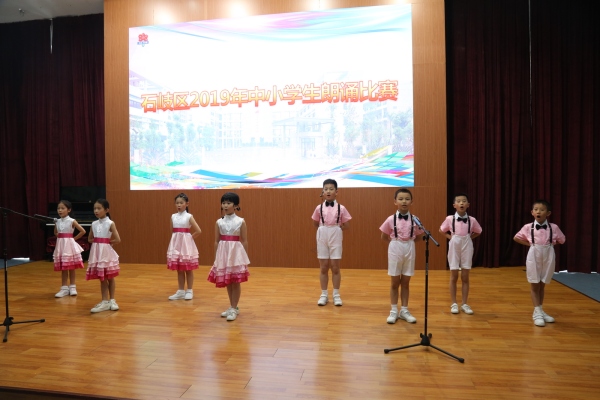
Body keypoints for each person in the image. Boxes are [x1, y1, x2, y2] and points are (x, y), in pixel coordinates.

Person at [514, 200, 566, 327]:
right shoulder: (528, 227)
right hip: (534, 255)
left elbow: (562, 240)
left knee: (542, 284)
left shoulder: (554, 227)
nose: (539, 212)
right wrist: (531, 244)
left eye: (542, 210)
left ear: (548, 213)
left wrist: (550, 244)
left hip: (548, 255)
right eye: (536, 209)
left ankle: (540, 310)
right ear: (532, 212)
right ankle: (536, 312)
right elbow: (516, 237)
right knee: (534, 284)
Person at [380, 188, 423, 324]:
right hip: (395, 247)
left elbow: (419, 236)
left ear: (412, 201)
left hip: (410, 247)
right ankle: (393, 310)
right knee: (394, 282)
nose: (404, 201)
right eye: (401, 199)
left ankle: (404, 310)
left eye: (407, 199)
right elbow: (384, 236)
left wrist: (408, 243)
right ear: (395, 201)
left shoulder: (415, 219)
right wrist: (395, 243)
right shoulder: (390, 219)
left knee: (405, 281)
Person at [207, 192, 250, 321]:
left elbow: (245, 241)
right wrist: (216, 257)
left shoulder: (240, 221)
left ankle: (234, 307)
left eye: (228, 203)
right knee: (228, 281)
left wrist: (244, 258)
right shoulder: (219, 222)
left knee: (235, 281)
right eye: (223, 203)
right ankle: (232, 306)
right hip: (223, 253)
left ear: (235, 205)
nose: (225, 205)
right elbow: (216, 241)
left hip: (236, 254)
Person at [439, 193, 482, 315]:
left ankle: (464, 303)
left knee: (465, 276)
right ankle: (454, 303)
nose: (461, 203)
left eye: (464, 201)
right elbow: (441, 230)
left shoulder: (472, 220)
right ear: (454, 205)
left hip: (467, 244)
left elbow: (479, 231)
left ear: (468, 205)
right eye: (458, 201)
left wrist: (469, 238)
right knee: (454, 275)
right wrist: (451, 238)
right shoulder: (450, 219)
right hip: (454, 244)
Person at [311, 178, 352, 306]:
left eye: (331, 189)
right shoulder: (318, 208)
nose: (328, 191)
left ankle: (336, 294)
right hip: (322, 233)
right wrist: (324, 230)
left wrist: (337, 229)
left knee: (335, 266)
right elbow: (315, 223)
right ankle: (324, 294)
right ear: (322, 192)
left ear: (336, 192)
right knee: (323, 266)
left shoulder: (341, 208)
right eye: (326, 189)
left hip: (336, 233)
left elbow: (346, 225)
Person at [86, 199, 121, 313]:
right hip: (97, 253)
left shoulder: (110, 223)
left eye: (99, 208)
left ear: (106, 210)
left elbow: (118, 239)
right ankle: (104, 301)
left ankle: (112, 300)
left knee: (110, 277)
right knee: (102, 278)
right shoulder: (94, 224)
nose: (96, 211)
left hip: (106, 253)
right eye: (95, 208)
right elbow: (89, 239)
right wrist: (97, 243)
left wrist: (107, 242)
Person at [167, 193, 201, 300]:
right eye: (177, 203)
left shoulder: (189, 216)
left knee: (188, 269)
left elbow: (198, 230)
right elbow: (172, 231)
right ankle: (181, 290)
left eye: (181, 203)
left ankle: (189, 290)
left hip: (186, 246)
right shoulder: (173, 216)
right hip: (176, 245)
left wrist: (189, 238)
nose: (179, 205)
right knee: (179, 269)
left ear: (187, 204)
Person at [53, 200, 86, 298]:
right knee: (64, 267)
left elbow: (82, 231)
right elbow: (55, 232)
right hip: (61, 246)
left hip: (69, 246)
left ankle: (72, 287)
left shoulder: (71, 221)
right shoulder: (57, 221)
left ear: (69, 210)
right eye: (58, 208)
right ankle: (64, 288)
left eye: (62, 208)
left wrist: (72, 239)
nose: (60, 210)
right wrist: (61, 238)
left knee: (71, 267)